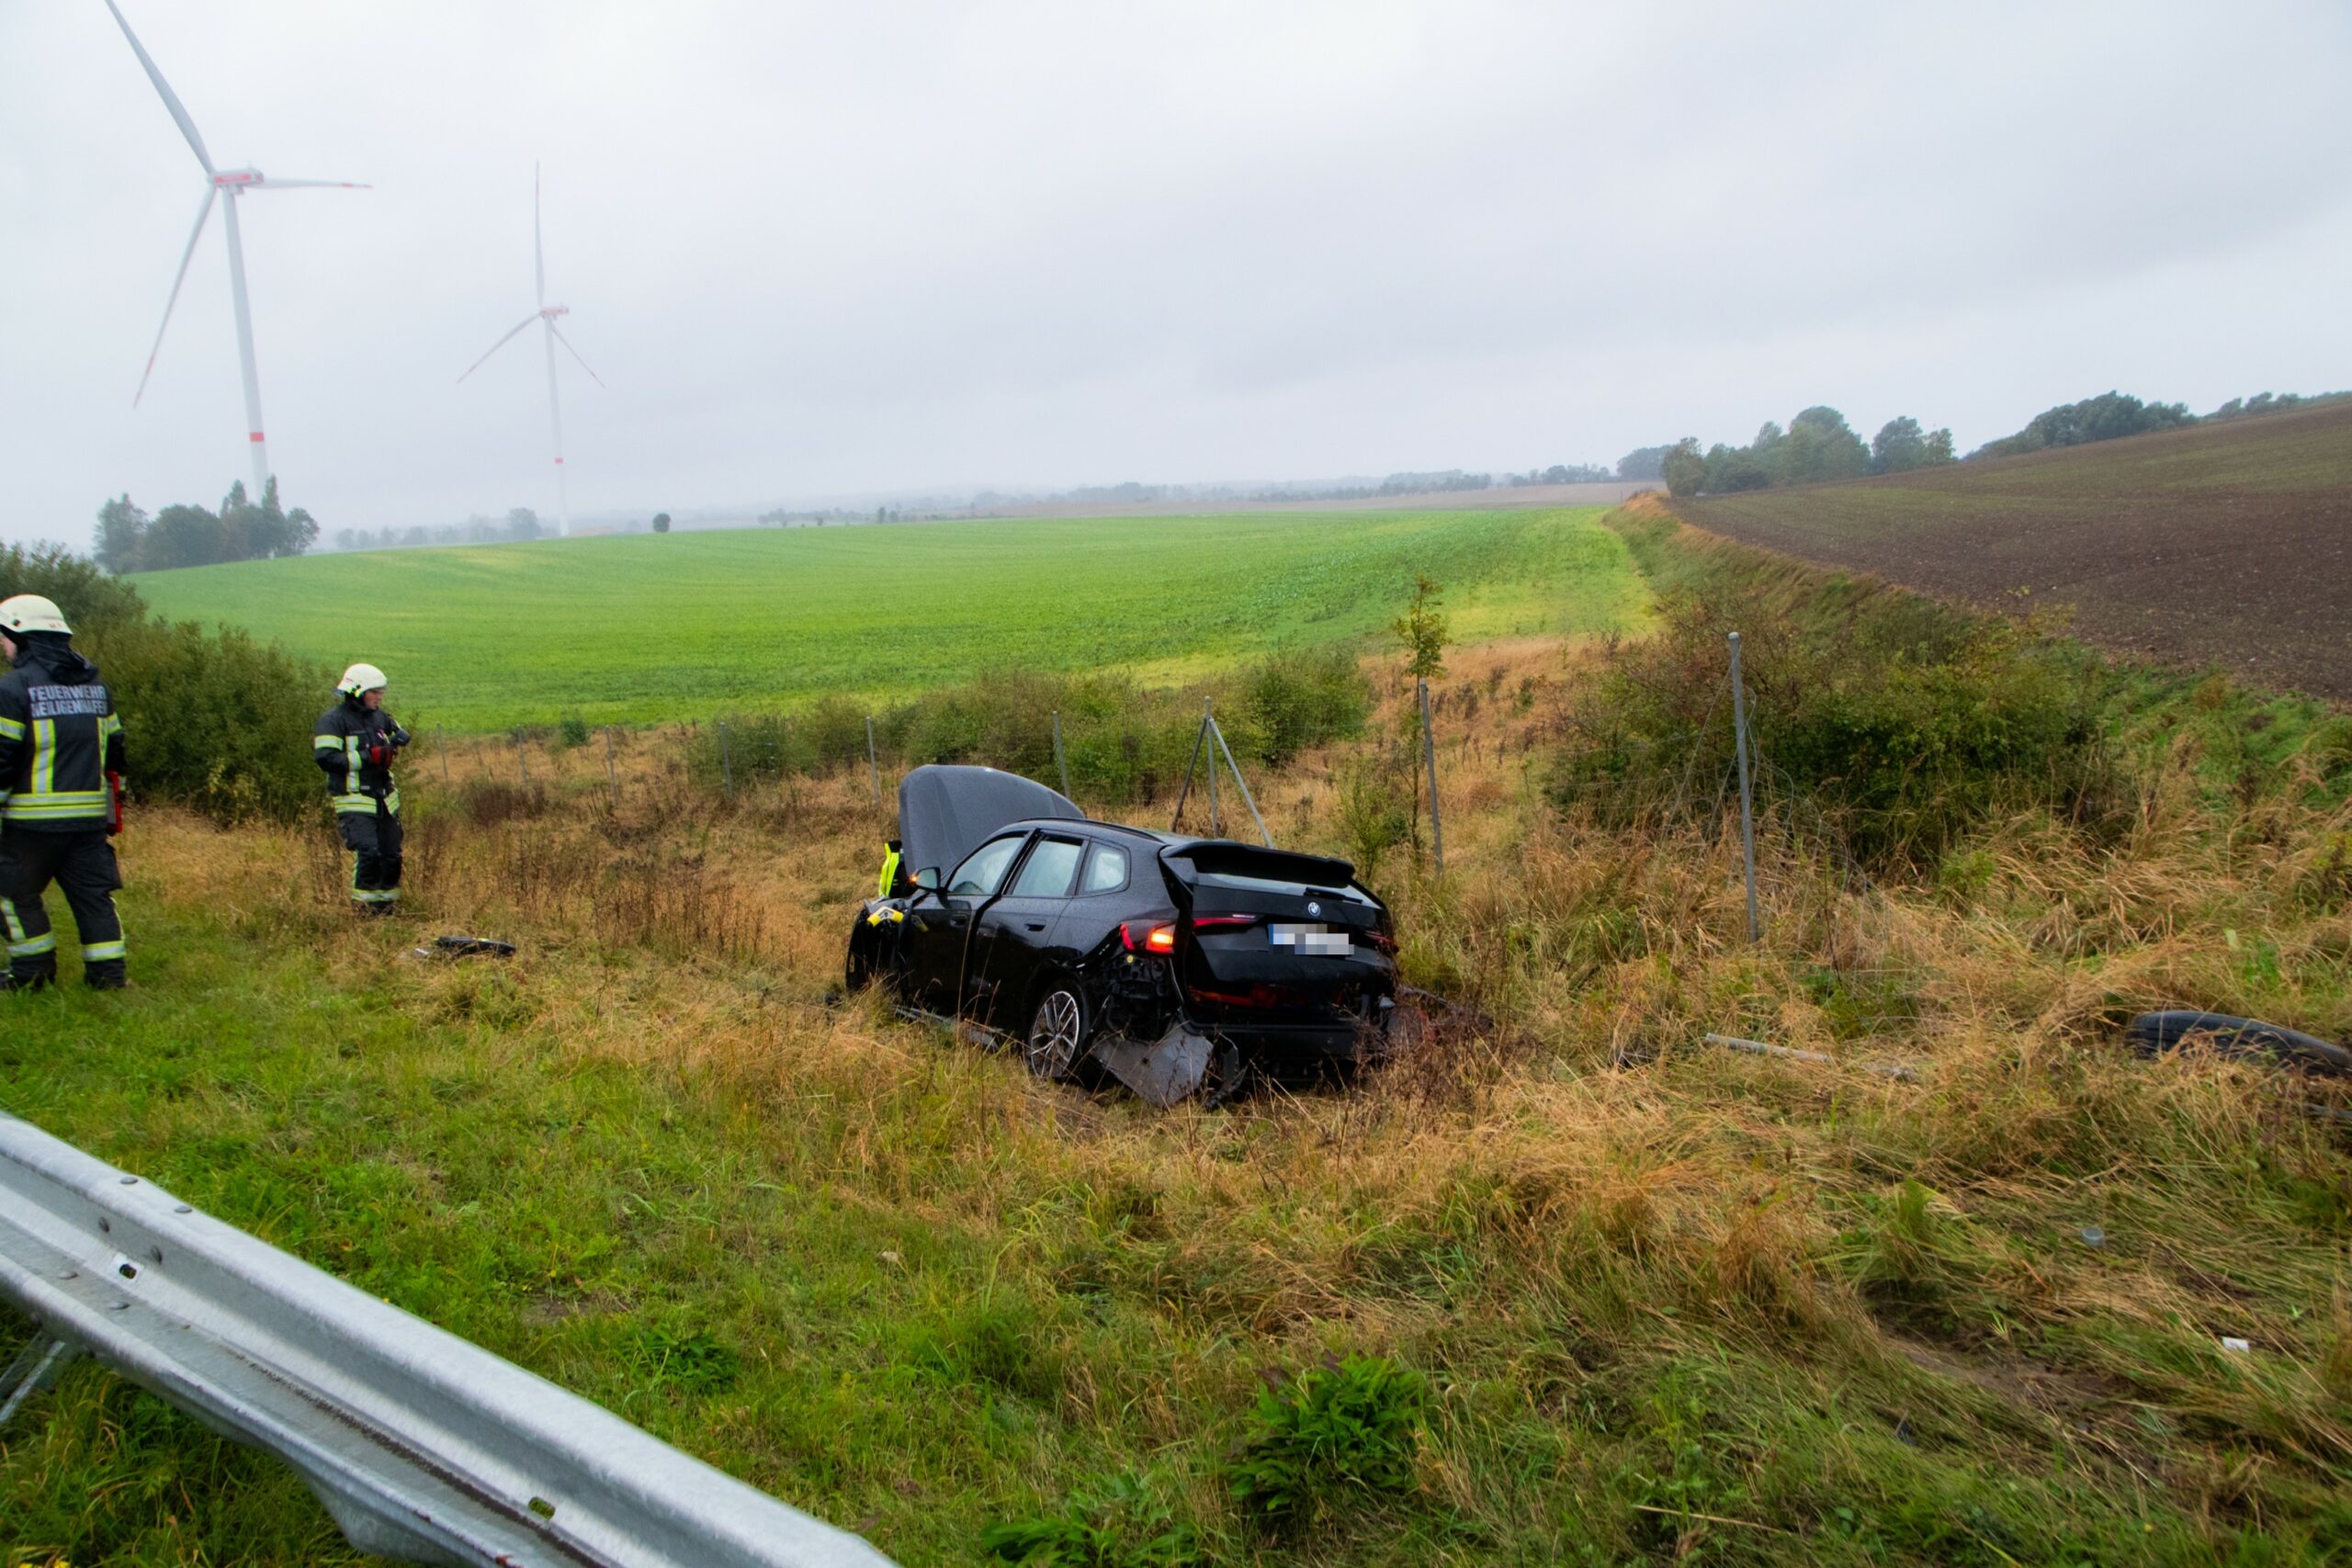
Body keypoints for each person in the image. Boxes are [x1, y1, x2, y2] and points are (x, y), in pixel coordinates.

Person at [0, 594, 129, 990]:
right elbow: (116, 754)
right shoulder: (95, 686)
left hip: (30, 825)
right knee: (94, 898)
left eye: (3, 637)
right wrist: (110, 813)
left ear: (21, 636)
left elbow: (3, 759)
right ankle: (108, 977)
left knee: (12, 895)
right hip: (88, 821)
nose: (1, 646)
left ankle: (31, 974)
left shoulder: (13, 688)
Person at [314, 663, 410, 914]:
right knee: (369, 852)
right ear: (356, 691)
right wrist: (368, 757)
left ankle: (387, 907)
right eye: (374, 692)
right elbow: (326, 759)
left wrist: (396, 741)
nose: (379, 697)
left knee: (392, 854)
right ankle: (363, 910)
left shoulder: (379, 716)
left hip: (384, 798)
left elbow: (394, 732)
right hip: (354, 797)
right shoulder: (332, 721)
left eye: (381, 692)